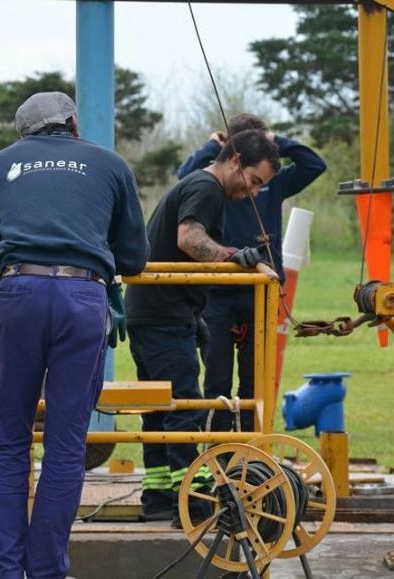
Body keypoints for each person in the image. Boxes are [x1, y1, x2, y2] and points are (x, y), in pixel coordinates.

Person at [0, 92, 148, 578]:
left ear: (24, 134)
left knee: (10, 440)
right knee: (65, 444)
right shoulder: (111, 165)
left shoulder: (2, 165)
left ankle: (4, 571)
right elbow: (134, 258)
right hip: (82, 298)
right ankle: (47, 570)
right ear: (73, 123)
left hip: (18, 291)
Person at [125, 129, 281, 525]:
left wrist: (195, 313)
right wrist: (235, 257)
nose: (255, 192)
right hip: (163, 315)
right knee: (184, 408)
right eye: (255, 181)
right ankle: (191, 502)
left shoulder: (196, 185)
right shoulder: (206, 188)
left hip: (152, 311)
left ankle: (158, 495)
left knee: (158, 409)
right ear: (235, 160)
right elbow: (189, 239)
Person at [178, 113, 326, 432]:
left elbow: (315, 165)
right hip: (218, 293)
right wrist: (211, 147)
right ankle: (217, 450)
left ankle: (252, 449)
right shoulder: (218, 184)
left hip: (260, 291)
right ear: (234, 158)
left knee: (255, 379)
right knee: (216, 377)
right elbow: (185, 177)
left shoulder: (272, 181)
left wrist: (276, 144)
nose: (254, 189)